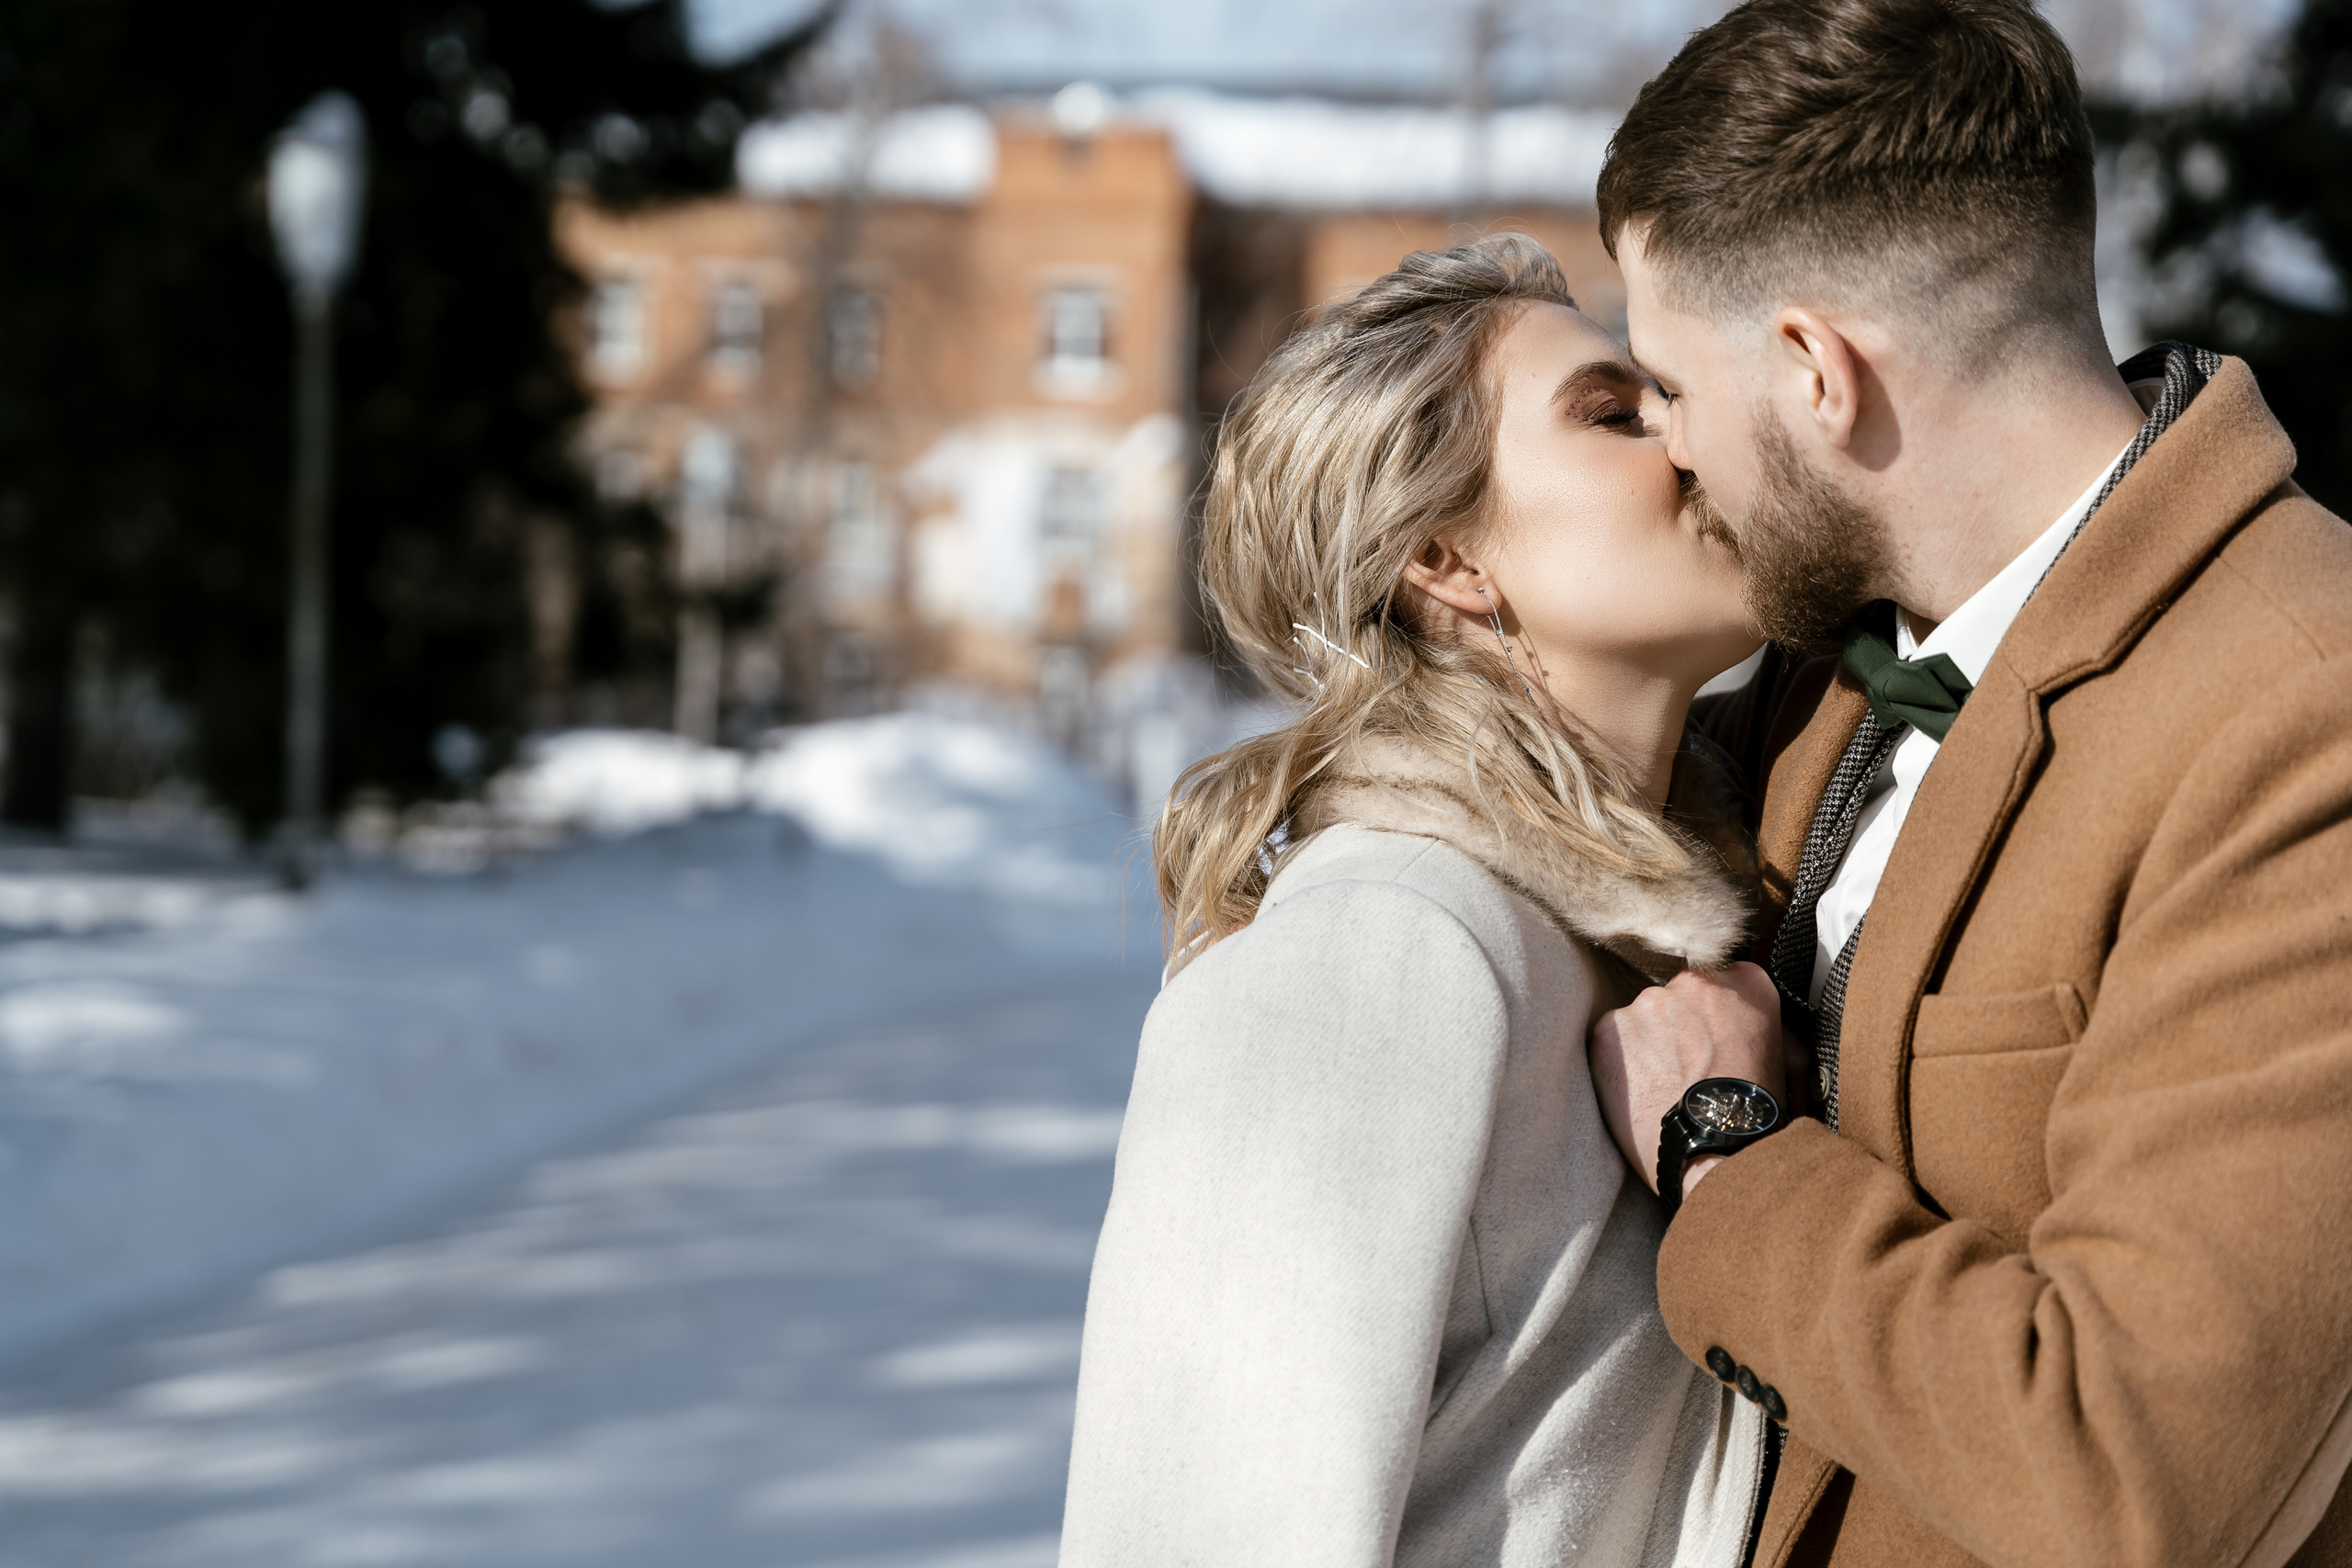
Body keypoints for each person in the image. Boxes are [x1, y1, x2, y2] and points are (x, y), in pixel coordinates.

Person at [1580, 2, 2352, 1565]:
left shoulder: (2304, 718)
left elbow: (2134, 1482)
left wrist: (1730, 1157)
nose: (1663, 445)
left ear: (1815, 372)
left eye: (1667, 384)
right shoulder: (1825, 664)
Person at [1059, 236, 1772, 1566]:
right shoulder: (1378, 947)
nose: (1687, 439)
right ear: (1445, 556)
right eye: (1616, 414)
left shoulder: (1634, 932)